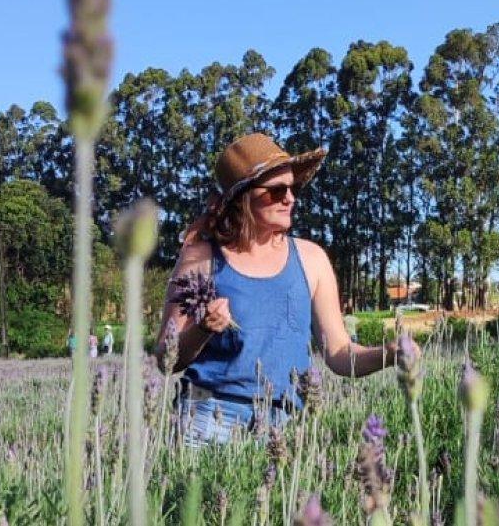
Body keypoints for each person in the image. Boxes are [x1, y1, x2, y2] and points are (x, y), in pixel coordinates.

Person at [154, 133, 402, 448]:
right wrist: (202, 329)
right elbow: (165, 358)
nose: (290, 199)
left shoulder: (312, 259)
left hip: (283, 425)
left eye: (293, 188)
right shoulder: (201, 257)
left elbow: (339, 354)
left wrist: (390, 354)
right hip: (206, 418)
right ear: (242, 198)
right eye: (277, 191)